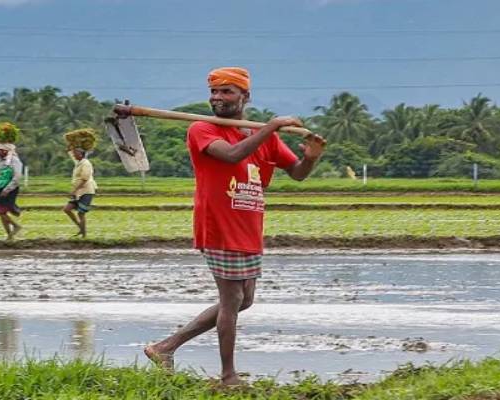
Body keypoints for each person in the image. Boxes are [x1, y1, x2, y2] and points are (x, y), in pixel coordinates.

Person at [140, 67, 326, 385]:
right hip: (219, 226)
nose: (218, 98)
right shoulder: (202, 129)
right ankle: (228, 376)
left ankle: (165, 347)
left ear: (245, 96)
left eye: (226, 91)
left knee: (245, 299)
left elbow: (297, 172)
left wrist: (310, 158)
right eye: (214, 91)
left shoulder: (265, 138)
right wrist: (272, 125)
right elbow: (231, 155)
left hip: (249, 226)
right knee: (232, 299)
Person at [0, 142, 24, 240]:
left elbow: (17, 177)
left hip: (10, 188)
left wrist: (7, 189)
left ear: (4, 151)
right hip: (1, 187)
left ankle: (16, 226)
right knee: (2, 212)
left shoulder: (14, 160)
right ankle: (9, 235)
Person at [63, 147, 97, 238]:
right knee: (67, 209)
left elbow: (85, 178)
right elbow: (71, 154)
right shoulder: (78, 163)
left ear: (81, 154)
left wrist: (74, 190)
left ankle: (84, 235)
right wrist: (70, 147)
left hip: (86, 191)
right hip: (78, 192)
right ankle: (81, 228)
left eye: (76, 153)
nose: (74, 155)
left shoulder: (86, 163)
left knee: (81, 213)